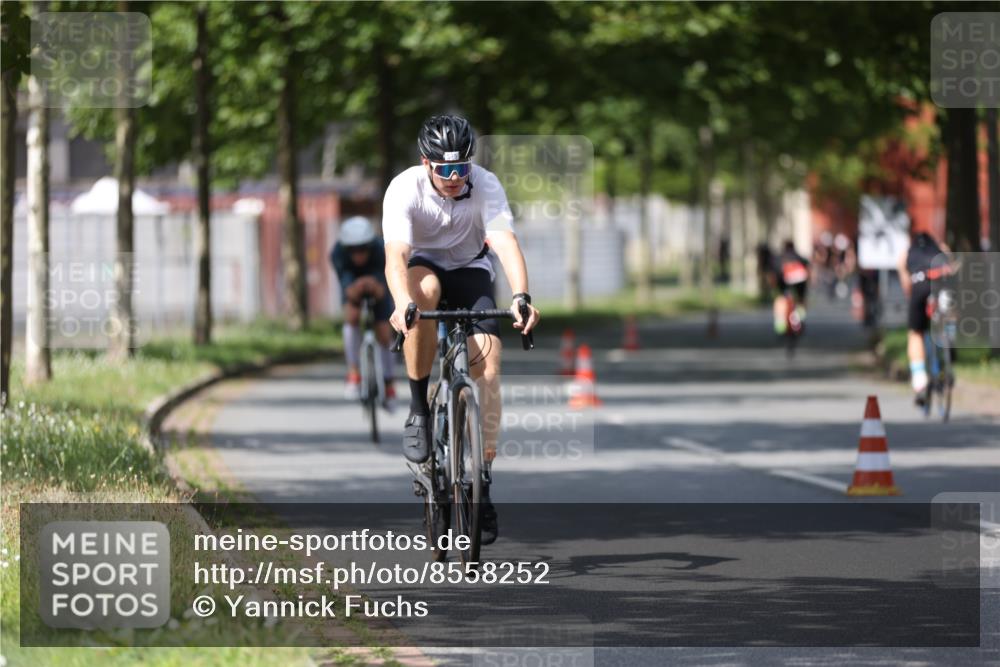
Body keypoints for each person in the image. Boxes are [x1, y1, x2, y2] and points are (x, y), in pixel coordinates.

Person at [383, 114, 540, 545]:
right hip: (423, 269)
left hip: (472, 271)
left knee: (488, 363)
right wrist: (402, 305)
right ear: (426, 163)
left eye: (461, 168)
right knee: (424, 291)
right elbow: (396, 255)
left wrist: (522, 296)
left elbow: (504, 242)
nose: (454, 178)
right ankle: (419, 408)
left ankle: (482, 482)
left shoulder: (485, 185)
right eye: (444, 169)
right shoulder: (404, 188)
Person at [330, 216, 396, 406]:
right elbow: (346, 285)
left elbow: (385, 284)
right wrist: (355, 288)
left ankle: (389, 383)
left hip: (378, 276)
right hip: (351, 279)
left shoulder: (382, 250)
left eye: (363, 249)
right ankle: (353, 373)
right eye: (353, 250)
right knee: (351, 316)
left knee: (384, 333)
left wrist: (375, 286)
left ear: (370, 245)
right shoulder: (338, 253)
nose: (358, 254)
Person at [897, 230, 951, 403]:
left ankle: (919, 381)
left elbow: (905, 280)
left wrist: (911, 295)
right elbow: (951, 265)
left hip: (920, 284)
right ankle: (950, 345)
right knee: (949, 314)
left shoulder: (907, 252)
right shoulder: (940, 247)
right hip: (941, 282)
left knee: (915, 333)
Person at [772, 239, 810, 334]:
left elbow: (774, 274)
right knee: (800, 300)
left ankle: (780, 322)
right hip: (800, 282)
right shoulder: (800, 258)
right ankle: (800, 318)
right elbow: (807, 270)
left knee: (781, 299)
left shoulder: (779, 258)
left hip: (784, 282)